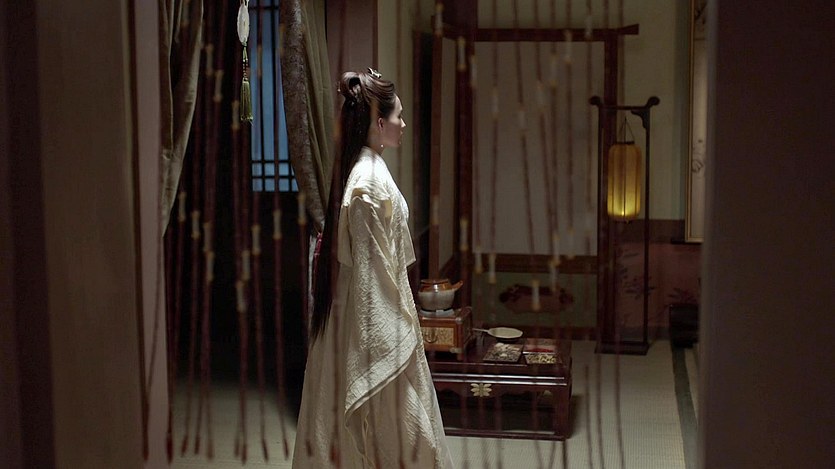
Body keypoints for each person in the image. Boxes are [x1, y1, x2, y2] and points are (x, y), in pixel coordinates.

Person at [292, 69, 454, 468]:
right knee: (402, 438)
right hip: (368, 327)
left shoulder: (369, 169)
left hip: (372, 315)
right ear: (379, 123)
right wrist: (393, 343)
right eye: (398, 115)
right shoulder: (366, 184)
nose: (403, 123)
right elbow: (370, 280)